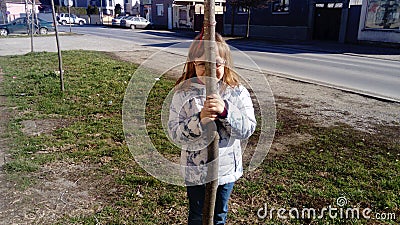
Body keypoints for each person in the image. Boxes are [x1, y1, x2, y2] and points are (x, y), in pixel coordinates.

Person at [168, 33, 256, 225]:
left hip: (225, 172)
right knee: (197, 216)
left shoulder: (236, 91)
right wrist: (199, 120)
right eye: (202, 64)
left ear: (226, 63)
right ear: (193, 64)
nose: (209, 70)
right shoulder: (183, 93)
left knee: (218, 217)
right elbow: (175, 133)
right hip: (195, 172)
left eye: (216, 63)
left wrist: (226, 112)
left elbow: (248, 128)